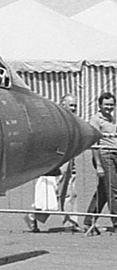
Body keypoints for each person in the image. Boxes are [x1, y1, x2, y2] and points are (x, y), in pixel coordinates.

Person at [28, 95, 83, 231]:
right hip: (58, 159)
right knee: (54, 192)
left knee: (71, 192)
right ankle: (33, 216)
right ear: (62, 104)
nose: (74, 108)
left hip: (70, 158)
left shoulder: (74, 121)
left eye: (75, 105)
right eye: (71, 105)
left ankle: (71, 222)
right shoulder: (56, 119)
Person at [84, 92, 117, 236]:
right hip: (104, 156)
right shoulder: (96, 120)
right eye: (106, 105)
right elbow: (94, 143)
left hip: (114, 154)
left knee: (105, 190)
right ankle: (116, 221)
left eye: (111, 104)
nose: (109, 107)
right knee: (113, 190)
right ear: (100, 105)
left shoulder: (112, 118)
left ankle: (89, 220)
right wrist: (98, 165)